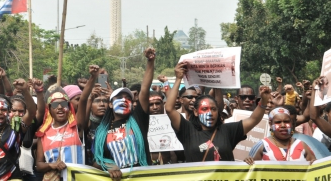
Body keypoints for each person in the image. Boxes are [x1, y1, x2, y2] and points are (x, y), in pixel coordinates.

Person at [166, 61, 271, 162]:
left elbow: (254, 119)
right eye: (204, 109)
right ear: (196, 112)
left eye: (213, 109)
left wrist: (264, 100)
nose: (210, 113)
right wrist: (178, 78)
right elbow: (169, 109)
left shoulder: (228, 131)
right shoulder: (187, 130)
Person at [92, 49, 155, 181]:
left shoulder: (138, 119)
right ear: (110, 104)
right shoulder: (102, 131)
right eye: (119, 97)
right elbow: (96, 161)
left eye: (128, 98)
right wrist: (108, 165)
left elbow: (144, 89)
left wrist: (150, 61)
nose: (124, 100)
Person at [36, 65, 99, 180]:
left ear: (69, 108)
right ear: (49, 110)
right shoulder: (43, 133)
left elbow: (83, 99)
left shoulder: (76, 127)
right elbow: (39, 164)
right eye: (55, 105)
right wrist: (52, 165)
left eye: (64, 104)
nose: (60, 107)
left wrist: (93, 77)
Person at [245, 106, 315, 163]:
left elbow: (316, 167)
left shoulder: (302, 144)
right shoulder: (262, 146)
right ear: (270, 124)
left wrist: (314, 164)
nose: (283, 125)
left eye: (286, 121)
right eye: (278, 122)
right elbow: (250, 173)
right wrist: (247, 162)